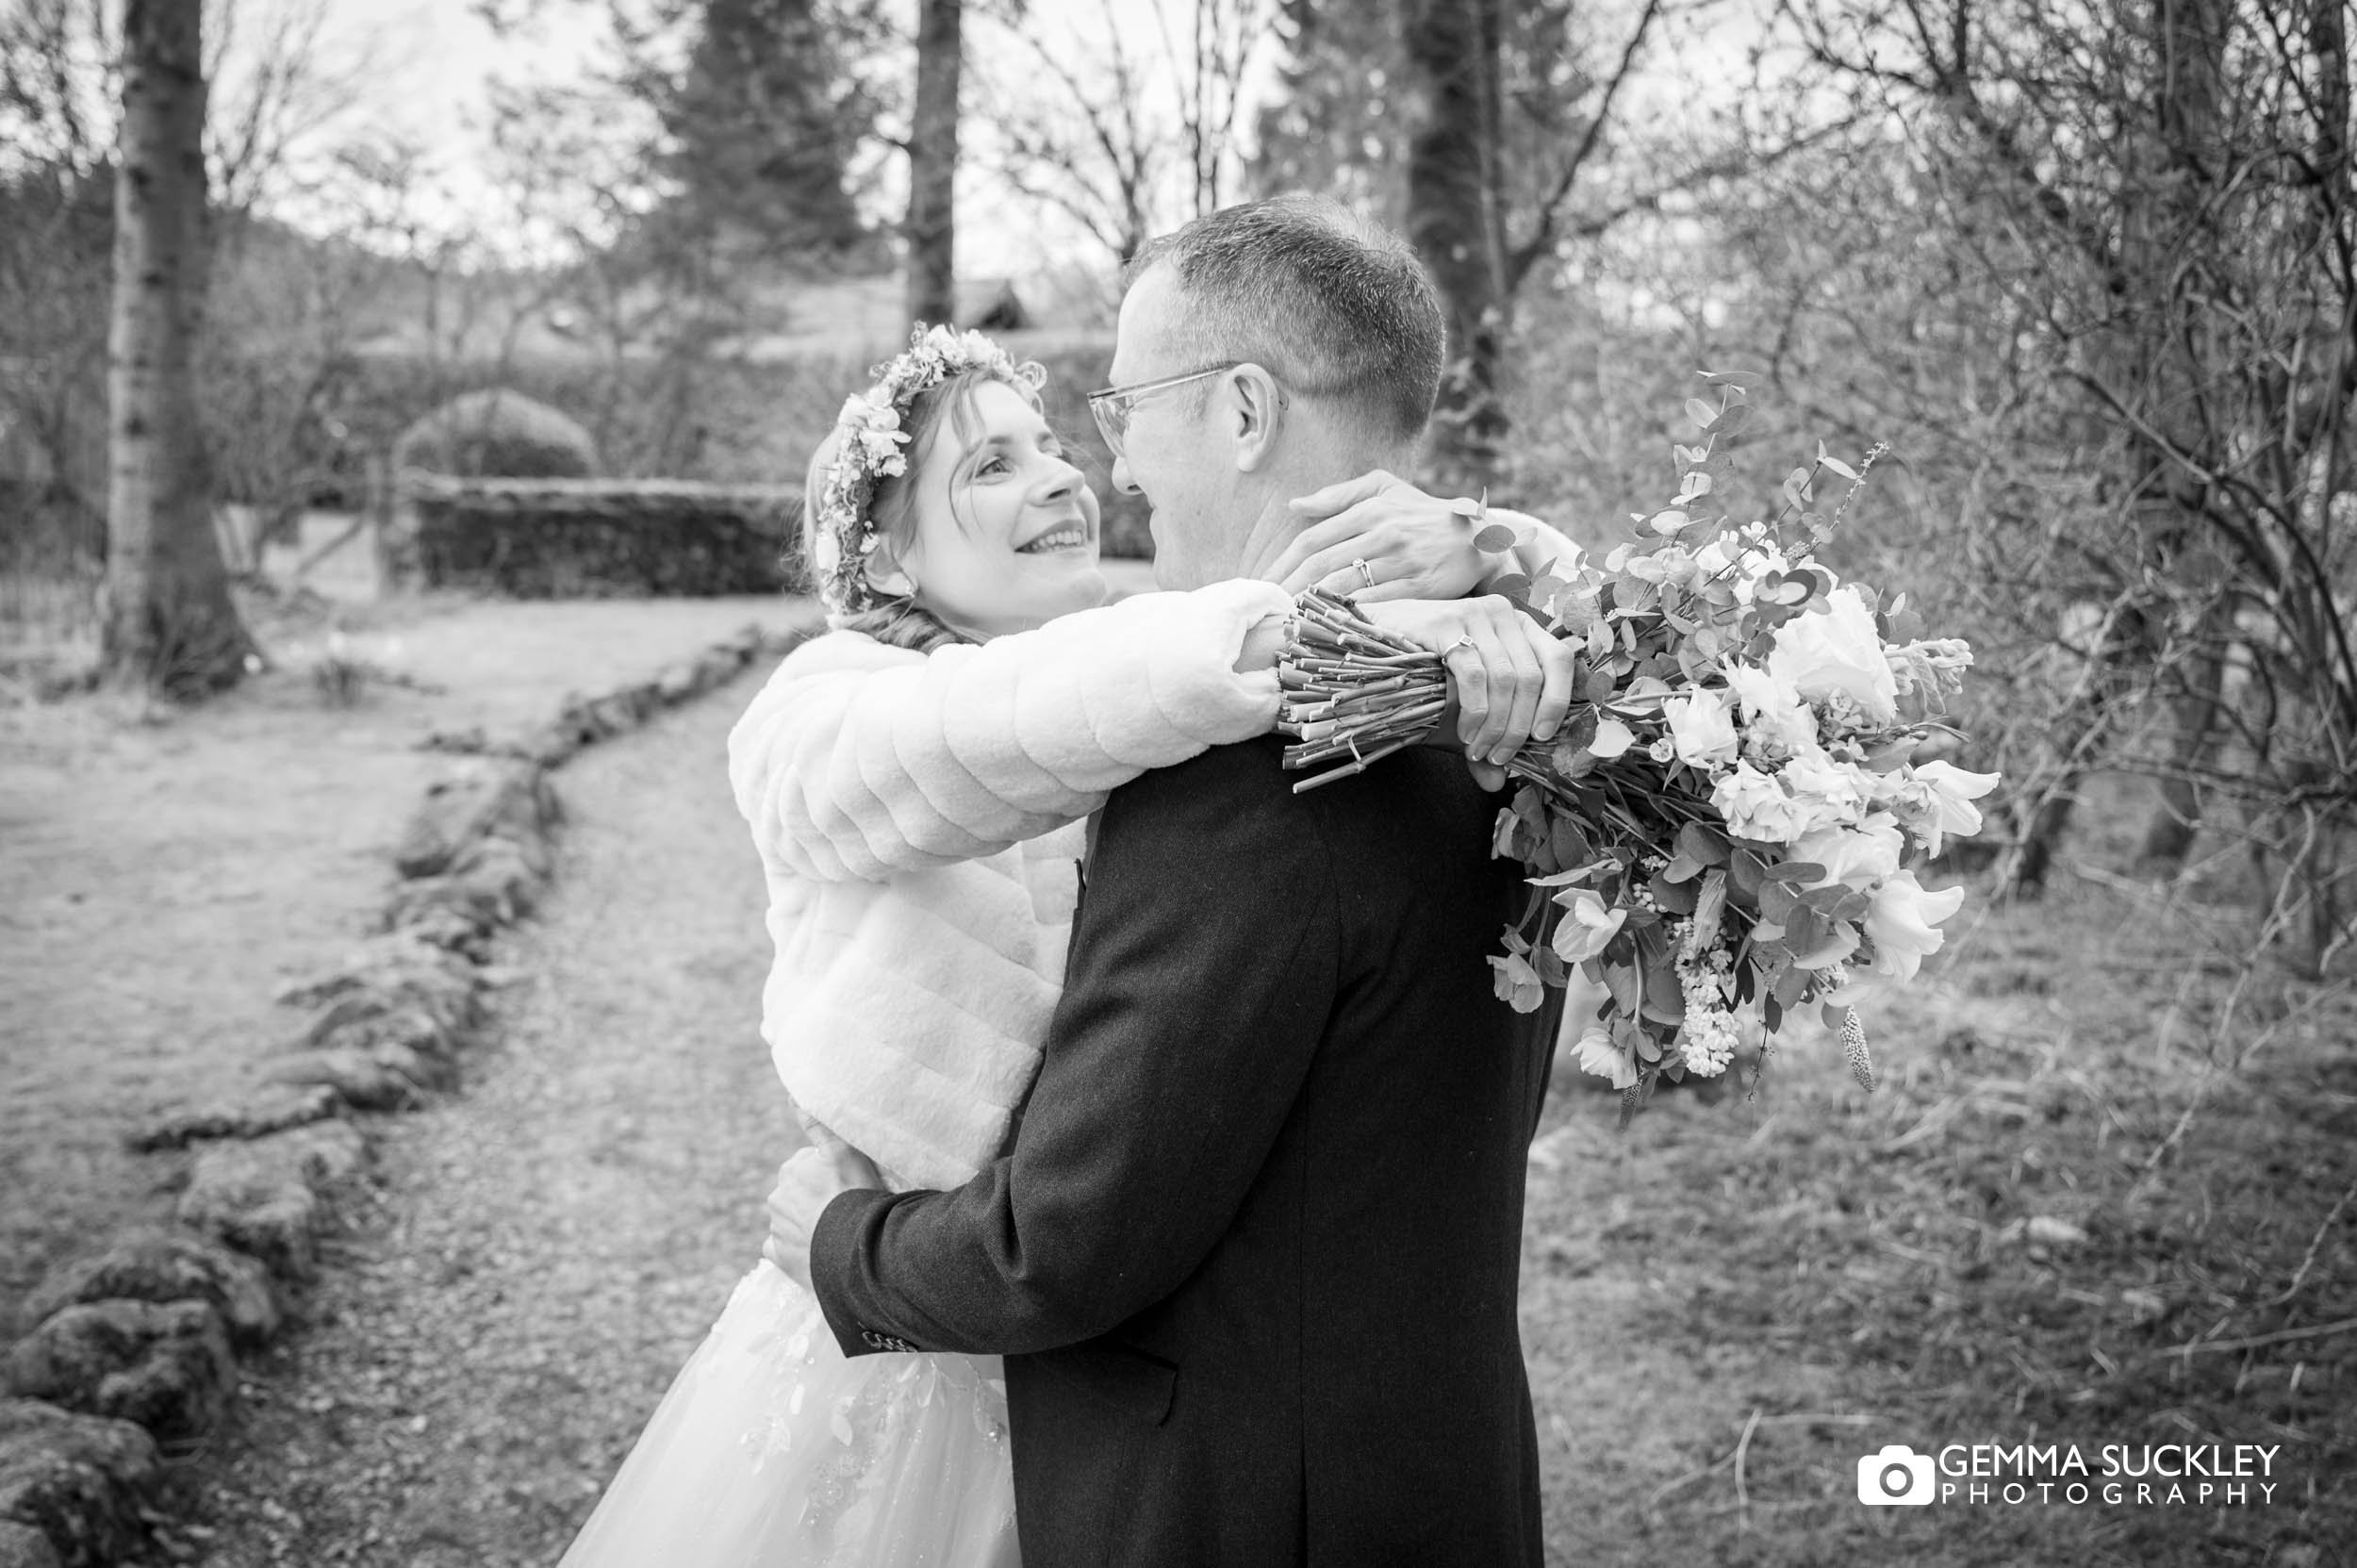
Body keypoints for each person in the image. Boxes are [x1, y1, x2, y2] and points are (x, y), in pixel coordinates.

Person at [559, 304, 1577, 1560]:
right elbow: (1003, 720)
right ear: (886, 561)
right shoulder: (824, 715)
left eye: (1051, 445)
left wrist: (1496, 552)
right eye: (991, 465)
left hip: (1075, 1348)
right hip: (905, 1317)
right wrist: (1349, 623)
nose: (1068, 477)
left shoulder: (1141, 686)